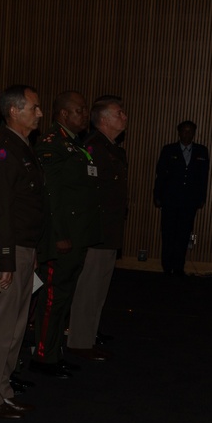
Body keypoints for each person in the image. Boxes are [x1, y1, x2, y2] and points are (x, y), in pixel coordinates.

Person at [0, 85, 47, 419]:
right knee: (0, 325)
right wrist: (4, 257)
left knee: (16, 326)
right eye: (34, 107)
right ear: (14, 111)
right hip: (10, 247)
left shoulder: (22, 147)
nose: (40, 113)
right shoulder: (3, 149)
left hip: (24, 246)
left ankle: (2, 389)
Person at [29, 91, 100, 378]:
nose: (85, 115)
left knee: (64, 296)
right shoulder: (52, 145)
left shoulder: (74, 144)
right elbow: (51, 197)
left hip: (77, 234)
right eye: (79, 110)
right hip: (63, 236)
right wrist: (58, 234)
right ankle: (44, 355)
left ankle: (55, 350)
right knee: (53, 296)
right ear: (63, 115)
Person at [69, 97, 129, 359]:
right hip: (96, 232)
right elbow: (85, 194)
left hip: (109, 231)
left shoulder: (114, 149)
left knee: (99, 290)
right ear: (104, 120)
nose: (124, 117)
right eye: (119, 113)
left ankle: (88, 334)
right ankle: (80, 341)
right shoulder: (92, 148)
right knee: (89, 289)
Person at [155, 120, 209, 275]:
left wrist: (202, 198)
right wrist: (157, 195)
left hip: (189, 201)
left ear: (194, 133)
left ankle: (179, 267)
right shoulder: (169, 149)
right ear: (179, 133)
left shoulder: (201, 151)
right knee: (168, 233)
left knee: (183, 234)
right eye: (184, 131)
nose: (187, 134)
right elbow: (161, 175)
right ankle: (167, 266)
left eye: (190, 131)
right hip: (170, 199)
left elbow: (204, 177)